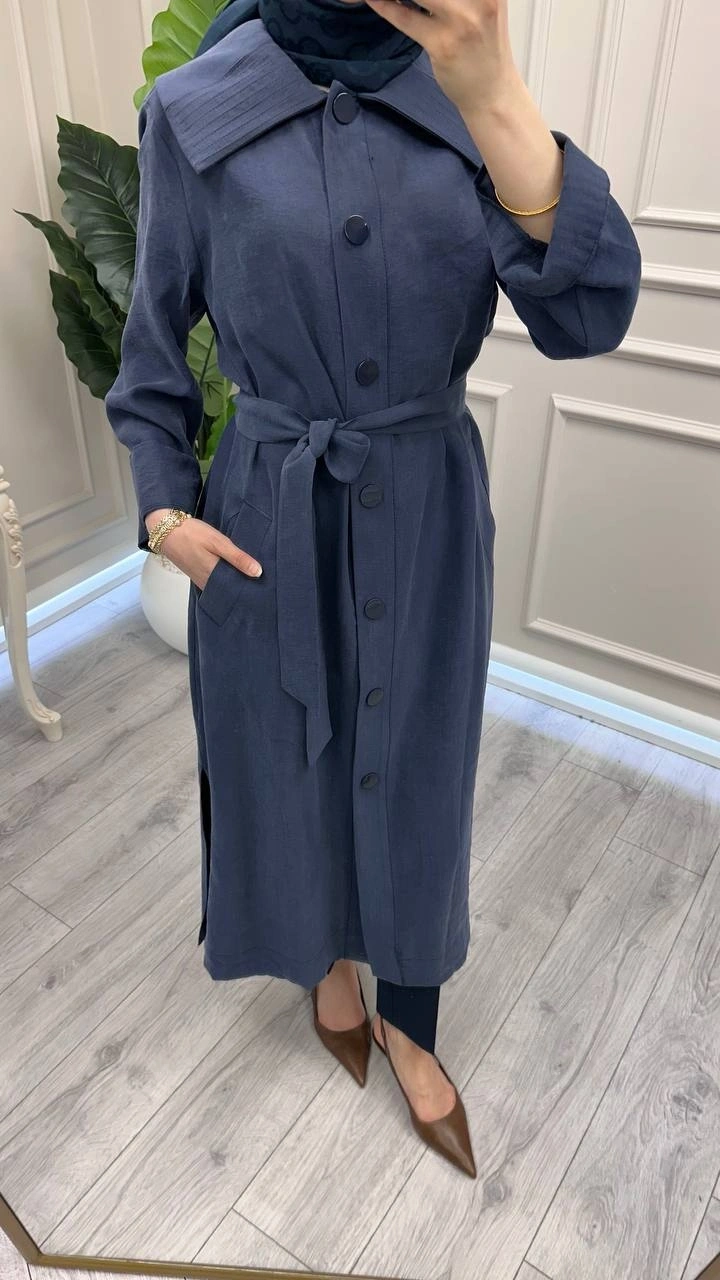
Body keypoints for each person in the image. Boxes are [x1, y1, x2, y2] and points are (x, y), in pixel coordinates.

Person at [104, 0, 642, 1178]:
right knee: (290, 762)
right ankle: (328, 970)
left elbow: (589, 313)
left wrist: (495, 95)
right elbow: (150, 358)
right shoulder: (195, 112)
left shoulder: (467, 92)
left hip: (426, 506)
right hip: (265, 514)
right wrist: (165, 513)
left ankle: (412, 1017)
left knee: (418, 772)